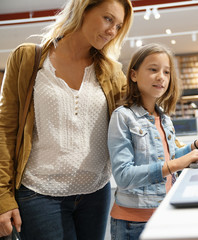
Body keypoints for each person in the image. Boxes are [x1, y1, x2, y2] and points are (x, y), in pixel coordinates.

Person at [0, 0, 133, 239]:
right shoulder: (29, 58)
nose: (112, 31)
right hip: (38, 195)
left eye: (119, 25)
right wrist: (2, 197)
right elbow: (5, 129)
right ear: (84, 9)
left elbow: (137, 122)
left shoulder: (111, 71)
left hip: (96, 193)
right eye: (108, 19)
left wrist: (187, 148)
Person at [108, 43, 198, 240]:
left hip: (164, 211)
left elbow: (170, 158)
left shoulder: (164, 117)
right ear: (133, 75)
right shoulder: (123, 117)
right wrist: (177, 163)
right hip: (134, 222)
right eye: (153, 69)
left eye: (166, 72)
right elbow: (124, 176)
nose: (161, 77)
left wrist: (194, 146)